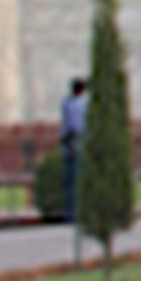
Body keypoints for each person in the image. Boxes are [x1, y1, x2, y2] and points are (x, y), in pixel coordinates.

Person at [58, 76, 91, 217]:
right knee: (76, 180)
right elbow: (75, 126)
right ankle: (75, 213)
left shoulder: (67, 102)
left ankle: (72, 212)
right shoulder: (80, 104)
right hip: (75, 143)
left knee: (71, 181)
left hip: (70, 142)